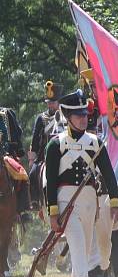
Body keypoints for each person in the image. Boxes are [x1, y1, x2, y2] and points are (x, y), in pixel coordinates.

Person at [44, 90, 118, 277]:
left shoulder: (95, 143)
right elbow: (50, 182)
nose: (84, 118)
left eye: (86, 114)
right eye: (78, 115)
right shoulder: (55, 145)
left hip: (90, 201)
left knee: (85, 249)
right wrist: (52, 212)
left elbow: (109, 175)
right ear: (68, 117)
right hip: (65, 200)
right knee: (77, 243)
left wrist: (115, 202)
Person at [29, 81, 64, 210]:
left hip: (65, 151)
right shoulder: (41, 118)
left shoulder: (65, 116)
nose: (50, 104)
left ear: (58, 102)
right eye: (49, 102)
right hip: (44, 155)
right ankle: (35, 200)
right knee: (32, 173)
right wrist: (32, 160)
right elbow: (34, 140)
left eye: (53, 102)